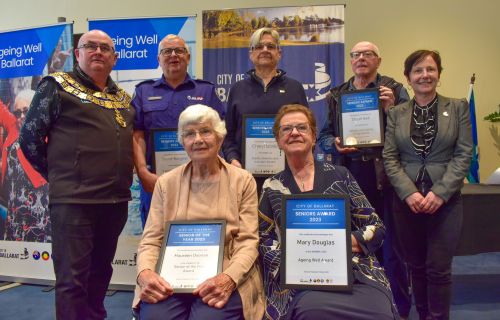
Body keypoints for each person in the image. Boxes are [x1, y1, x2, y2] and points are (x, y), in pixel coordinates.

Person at [19, 30, 135, 319]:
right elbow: (29, 139)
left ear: (114, 58)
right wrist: (61, 175)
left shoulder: (122, 98)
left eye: (105, 48)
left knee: (100, 274)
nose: (98, 51)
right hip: (74, 202)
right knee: (72, 280)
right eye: (90, 46)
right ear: (77, 53)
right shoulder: (56, 86)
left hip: (115, 202)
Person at [259, 104, 397, 320]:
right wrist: (296, 258)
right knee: (311, 312)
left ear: (314, 137)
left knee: (379, 312)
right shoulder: (271, 186)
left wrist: (335, 245)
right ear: (278, 140)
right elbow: (264, 240)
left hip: (355, 273)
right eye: (286, 129)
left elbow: (375, 226)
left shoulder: (340, 175)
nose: (294, 132)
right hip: (299, 280)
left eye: (301, 128)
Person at [133, 104, 263, 320]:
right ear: (182, 142)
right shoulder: (165, 183)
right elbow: (150, 241)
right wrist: (145, 273)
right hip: (170, 277)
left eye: (205, 131)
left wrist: (228, 278)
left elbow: (249, 242)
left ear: (220, 138)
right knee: (156, 316)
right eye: (189, 134)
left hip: (226, 272)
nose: (198, 139)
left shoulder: (243, 180)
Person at [317, 41, 411, 318]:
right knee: (353, 243)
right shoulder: (336, 95)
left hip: (386, 176)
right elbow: (323, 136)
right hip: (349, 175)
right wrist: (334, 143)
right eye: (356, 55)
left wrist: (391, 108)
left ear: (378, 61)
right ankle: (359, 306)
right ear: (351, 61)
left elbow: (408, 131)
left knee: (391, 248)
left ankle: (399, 309)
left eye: (367, 54)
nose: (361, 58)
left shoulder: (392, 90)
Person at [383, 50, 473, 320]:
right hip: (406, 202)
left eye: (430, 70)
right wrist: (408, 192)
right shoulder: (397, 113)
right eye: (418, 71)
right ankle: (422, 315)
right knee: (416, 267)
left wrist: (440, 193)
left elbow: (463, 153)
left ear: (439, 75)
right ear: (408, 78)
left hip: (444, 202)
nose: (425, 75)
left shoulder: (457, 107)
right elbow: (390, 156)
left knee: (439, 269)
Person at [132, 34, 224, 227]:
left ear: (188, 57)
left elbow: (219, 132)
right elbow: (136, 134)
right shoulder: (143, 91)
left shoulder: (205, 90)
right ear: (159, 59)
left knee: (199, 234)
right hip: (156, 180)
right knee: (156, 237)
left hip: (202, 180)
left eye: (179, 50)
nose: (173, 55)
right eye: (167, 51)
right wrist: (142, 171)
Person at [222, 28, 308, 192]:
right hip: (246, 178)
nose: (265, 50)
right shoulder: (237, 89)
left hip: (289, 177)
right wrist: (233, 160)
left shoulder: (295, 88)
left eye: (270, 46)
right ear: (251, 53)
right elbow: (229, 135)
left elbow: (308, 131)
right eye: (259, 46)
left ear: (279, 53)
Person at [4, 90, 49, 242]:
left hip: (38, 206)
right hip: (14, 209)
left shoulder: (46, 130)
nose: (21, 116)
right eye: (17, 113)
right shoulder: (13, 127)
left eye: (25, 111)